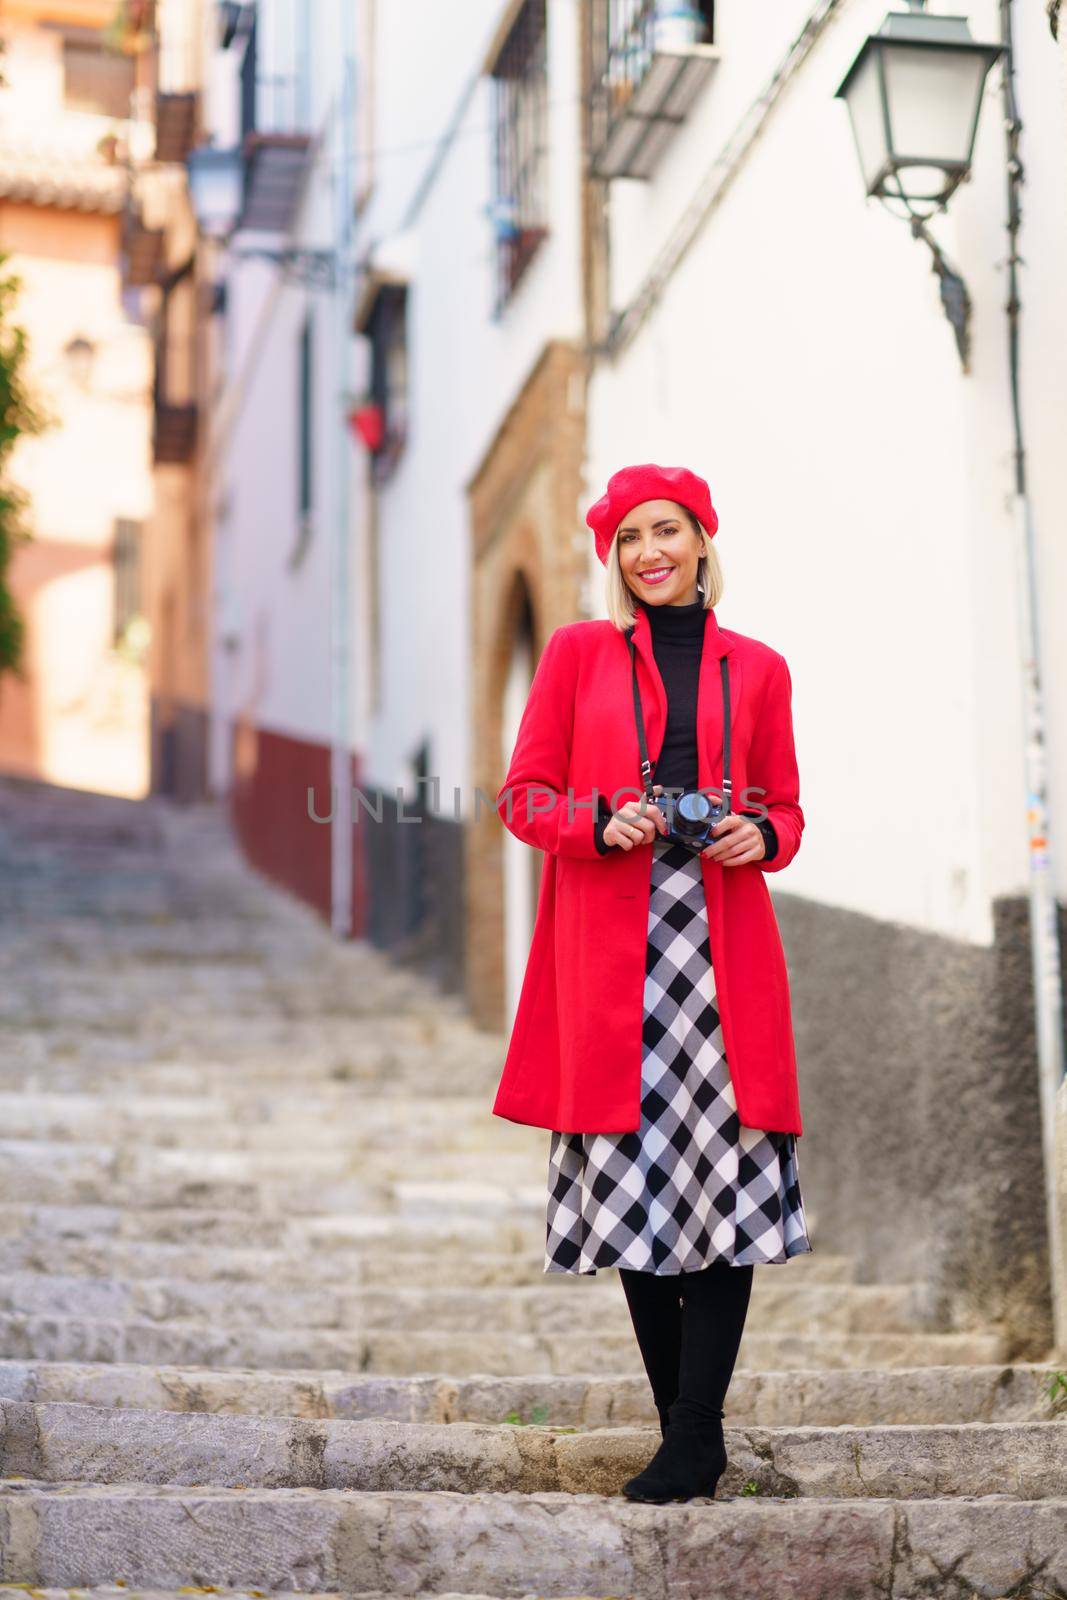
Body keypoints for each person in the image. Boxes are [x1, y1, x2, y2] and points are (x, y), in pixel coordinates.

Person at [492, 462, 813, 1504]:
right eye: (627, 538)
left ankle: (694, 1431)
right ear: (613, 559)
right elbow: (521, 794)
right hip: (608, 945)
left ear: (700, 540)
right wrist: (594, 821)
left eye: (665, 530)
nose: (647, 552)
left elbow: (788, 814)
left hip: (719, 943)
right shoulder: (577, 653)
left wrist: (754, 831)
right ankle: (687, 1434)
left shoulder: (758, 668)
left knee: (722, 1180)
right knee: (633, 1179)